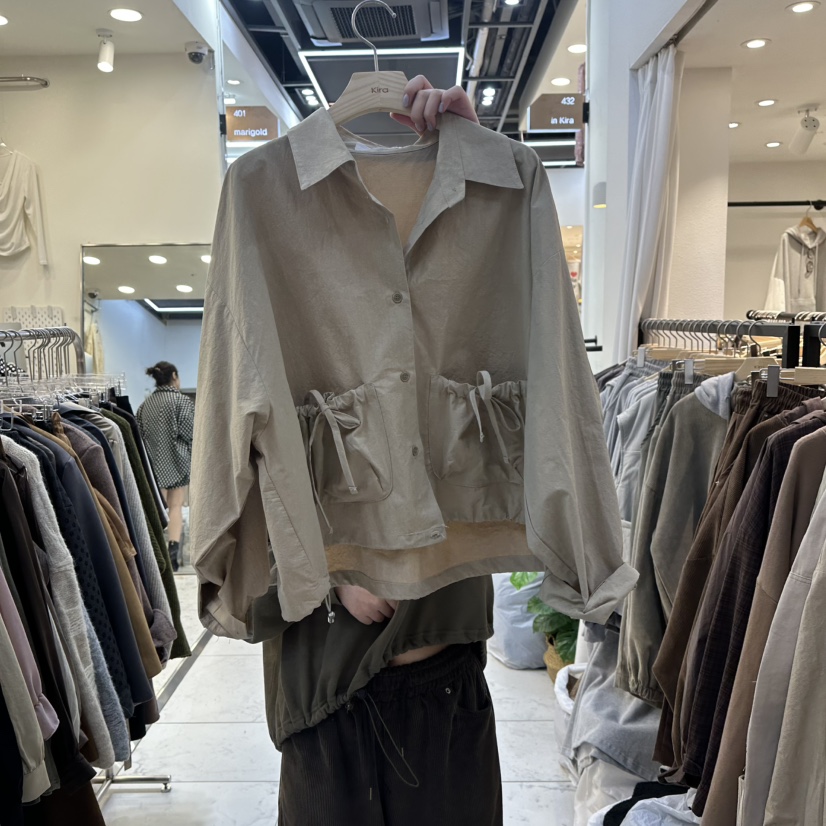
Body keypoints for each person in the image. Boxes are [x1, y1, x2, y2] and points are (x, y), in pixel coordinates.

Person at [261, 77, 504, 826]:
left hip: (443, 668)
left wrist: (474, 166)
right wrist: (334, 570)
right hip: (331, 681)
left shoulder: (477, 224)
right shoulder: (273, 217)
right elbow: (250, 465)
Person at [137, 361, 194, 571]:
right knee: (175, 507)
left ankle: (156, 554)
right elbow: (190, 433)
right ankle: (173, 555)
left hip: (152, 467)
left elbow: (139, 436)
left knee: (156, 510)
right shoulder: (181, 401)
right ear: (175, 376)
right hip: (177, 464)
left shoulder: (145, 405)